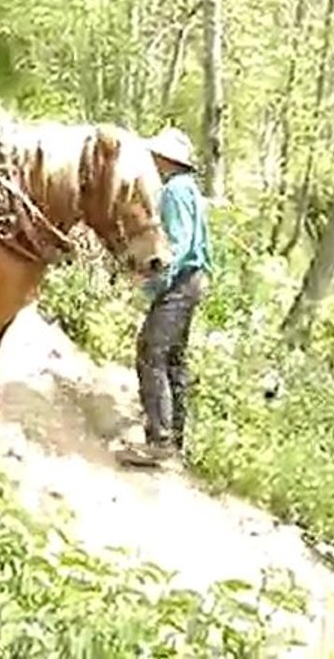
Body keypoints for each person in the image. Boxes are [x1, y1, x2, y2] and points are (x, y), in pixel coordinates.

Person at [119, 127, 213, 466]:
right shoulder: (189, 189)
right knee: (173, 358)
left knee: (151, 351)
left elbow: (176, 245)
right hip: (194, 280)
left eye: (156, 157)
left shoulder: (173, 191)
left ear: (166, 160)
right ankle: (174, 438)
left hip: (180, 281)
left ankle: (159, 440)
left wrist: (153, 286)